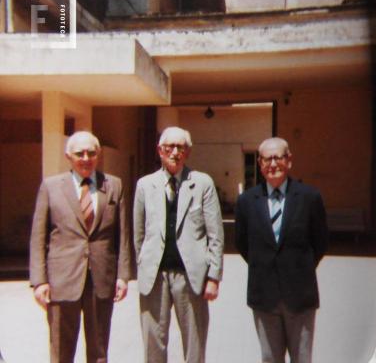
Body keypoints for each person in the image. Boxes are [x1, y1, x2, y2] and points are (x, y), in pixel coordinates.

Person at [29, 131, 131, 363]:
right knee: (61, 352)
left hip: (100, 280)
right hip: (62, 281)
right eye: (80, 153)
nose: (86, 158)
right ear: (68, 156)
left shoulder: (113, 185)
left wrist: (123, 276)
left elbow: (122, 236)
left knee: (99, 351)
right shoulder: (51, 187)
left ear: (99, 154)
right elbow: (38, 237)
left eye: (91, 153)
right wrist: (39, 280)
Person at [133, 126, 224, 363]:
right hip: (155, 277)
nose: (175, 152)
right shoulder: (145, 185)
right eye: (169, 147)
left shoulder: (202, 183)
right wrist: (143, 265)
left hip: (190, 277)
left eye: (180, 147)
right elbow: (138, 234)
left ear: (188, 151)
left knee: (195, 345)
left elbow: (215, 234)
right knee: (153, 344)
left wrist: (213, 276)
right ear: (160, 151)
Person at [235, 137, 328, 363]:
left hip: (300, 294)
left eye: (278, 157)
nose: (273, 164)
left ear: (289, 161)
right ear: (260, 163)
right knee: (269, 358)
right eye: (267, 159)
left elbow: (320, 242)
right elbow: (242, 243)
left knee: (302, 358)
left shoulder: (309, 197)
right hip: (264, 296)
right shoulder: (247, 201)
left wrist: (296, 267)